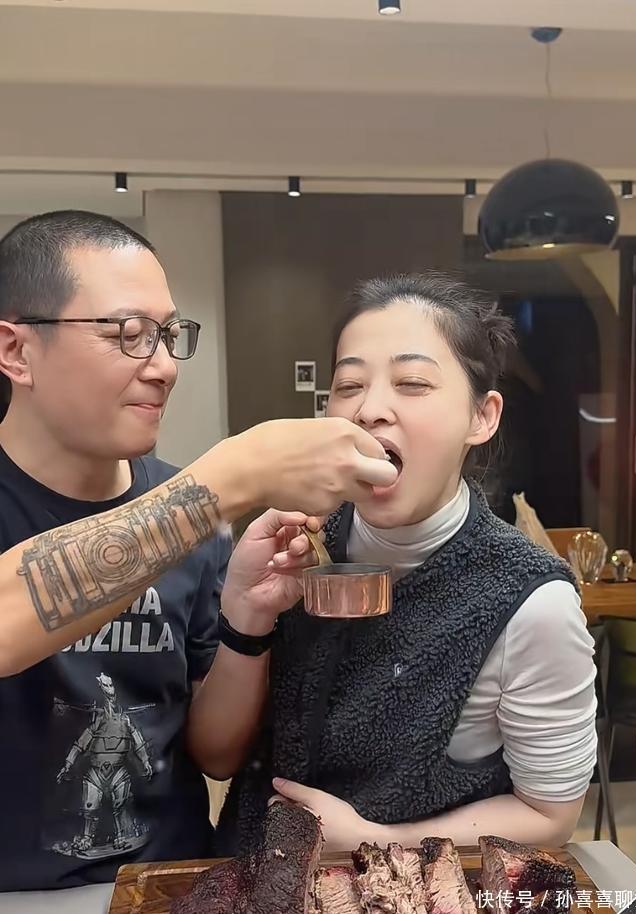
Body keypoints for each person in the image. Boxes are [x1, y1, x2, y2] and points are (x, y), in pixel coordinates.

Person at [0, 210, 396, 891]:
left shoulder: (188, 516)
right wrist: (233, 475)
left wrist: (246, 619)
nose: (162, 367)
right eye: (128, 334)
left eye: (167, 335)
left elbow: (214, 754)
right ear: (16, 351)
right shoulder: (194, 506)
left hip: (171, 880)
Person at [194, 272, 597, 853]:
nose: (370, 409)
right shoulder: (294, 547)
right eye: (349, 385)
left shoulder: (531, 599)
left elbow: (549, 816)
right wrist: (245, 617)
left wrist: (378, 840)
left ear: (482, 417)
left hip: (413, 887)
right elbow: (215, 757)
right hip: (252, 878)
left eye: (412, 383)